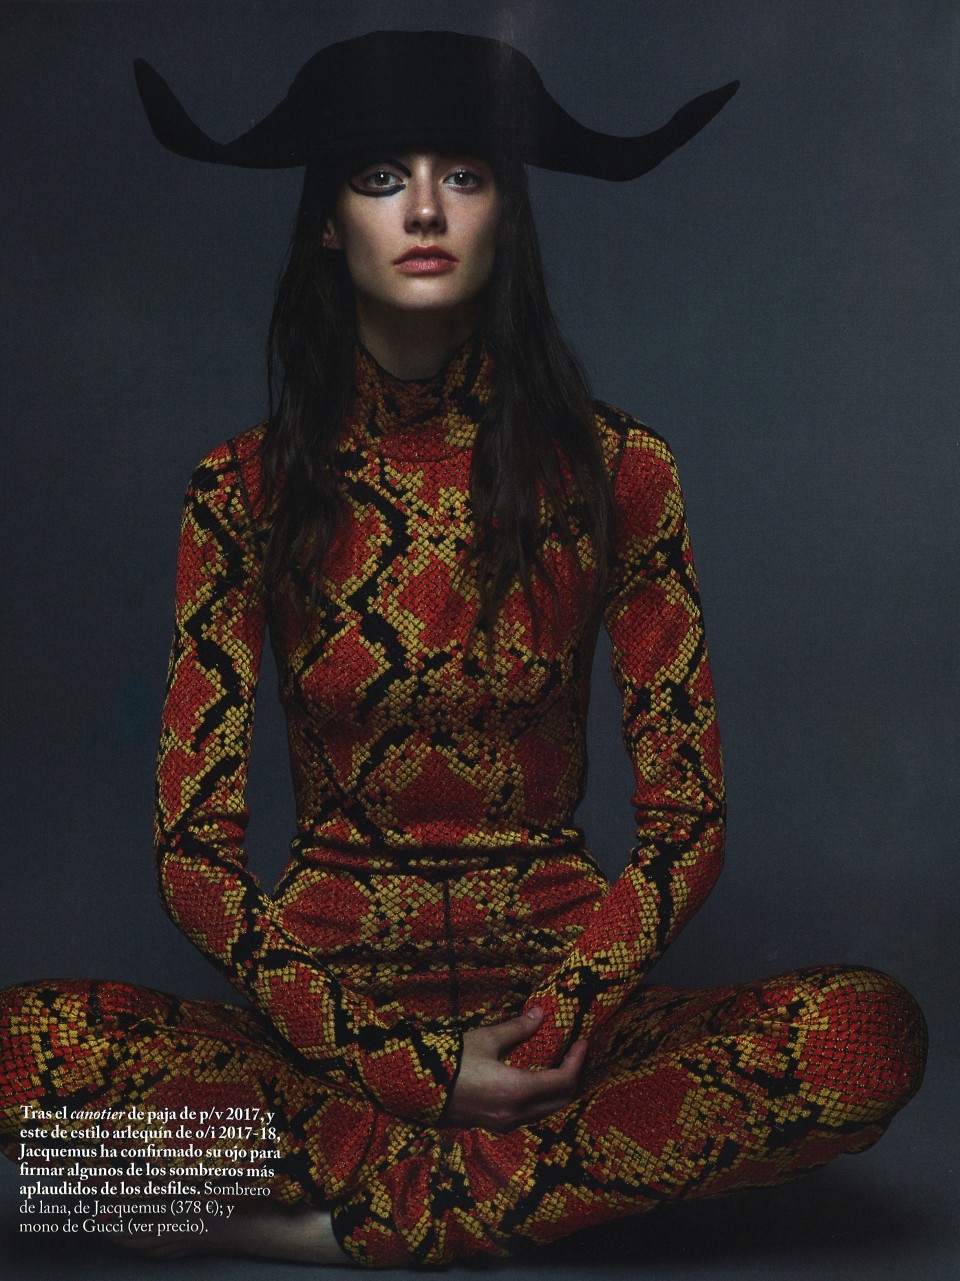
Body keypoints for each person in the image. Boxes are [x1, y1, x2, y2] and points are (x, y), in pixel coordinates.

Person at [0, 30, 926, 1268]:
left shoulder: (619, 473)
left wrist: (552, 1029)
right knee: (19, 1056)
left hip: (560, 1020)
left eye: (467, 176)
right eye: (382, 177)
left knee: (863, 1037)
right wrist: (410, 1069)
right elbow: (194, 858)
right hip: (326, 1028)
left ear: (507, 218)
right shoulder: (241, 492)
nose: (427, 209)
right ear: (327, 225)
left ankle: (340, 1222)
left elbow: (688, 823)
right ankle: (498, 1199)